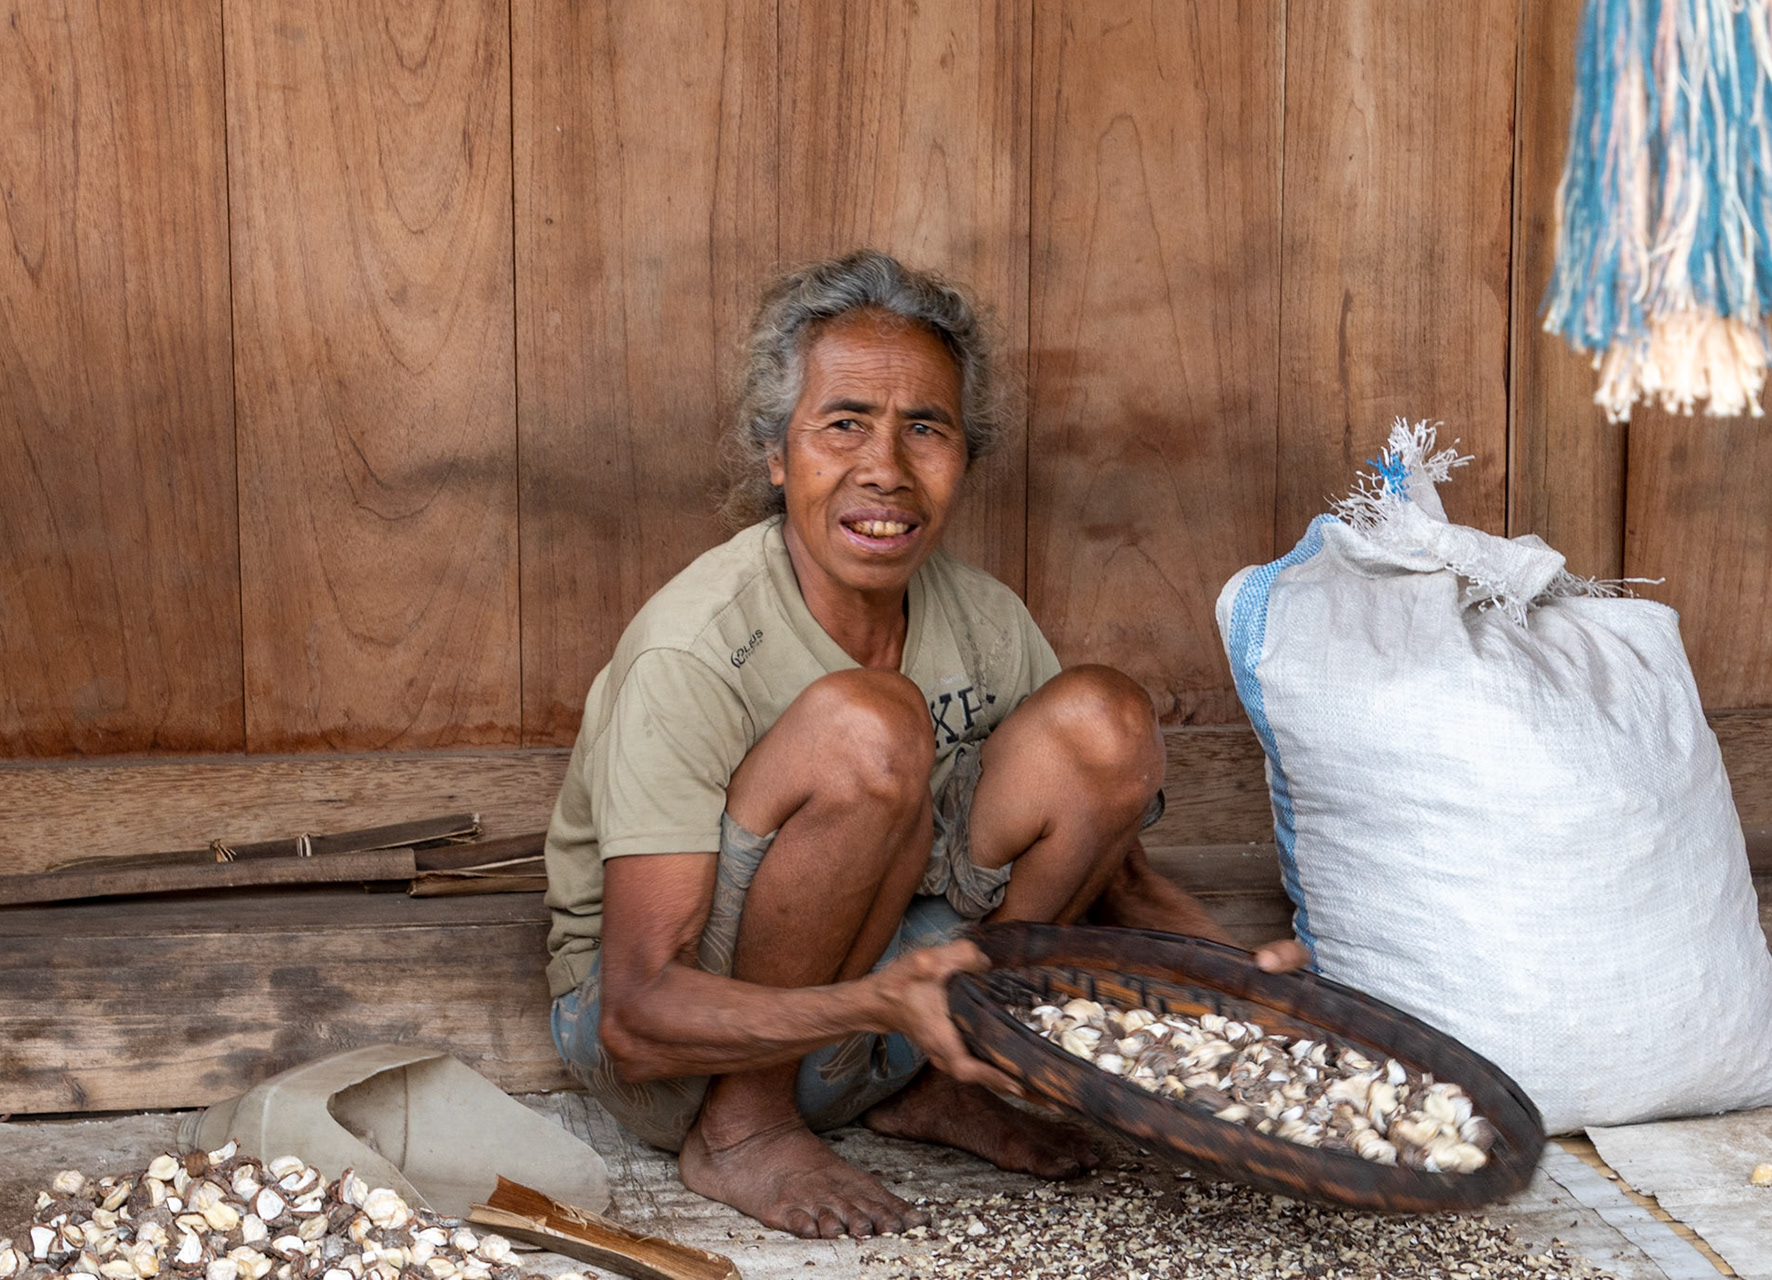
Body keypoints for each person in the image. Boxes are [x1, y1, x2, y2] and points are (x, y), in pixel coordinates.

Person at [542, 250, 1308, 1240]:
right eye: (845, 422)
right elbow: (636, 1018)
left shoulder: (982, 619)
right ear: (778, 453)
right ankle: (748, 1129)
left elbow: (1116, 874)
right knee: (872, 723)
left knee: (1105, 721)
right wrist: (881, 1000)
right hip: (676, 1057)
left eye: (926, 428)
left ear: (964, 457)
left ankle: (925, 1076)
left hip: (883, 1013)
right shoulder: (693, 646)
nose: (886, 469)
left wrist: (1242, 982)